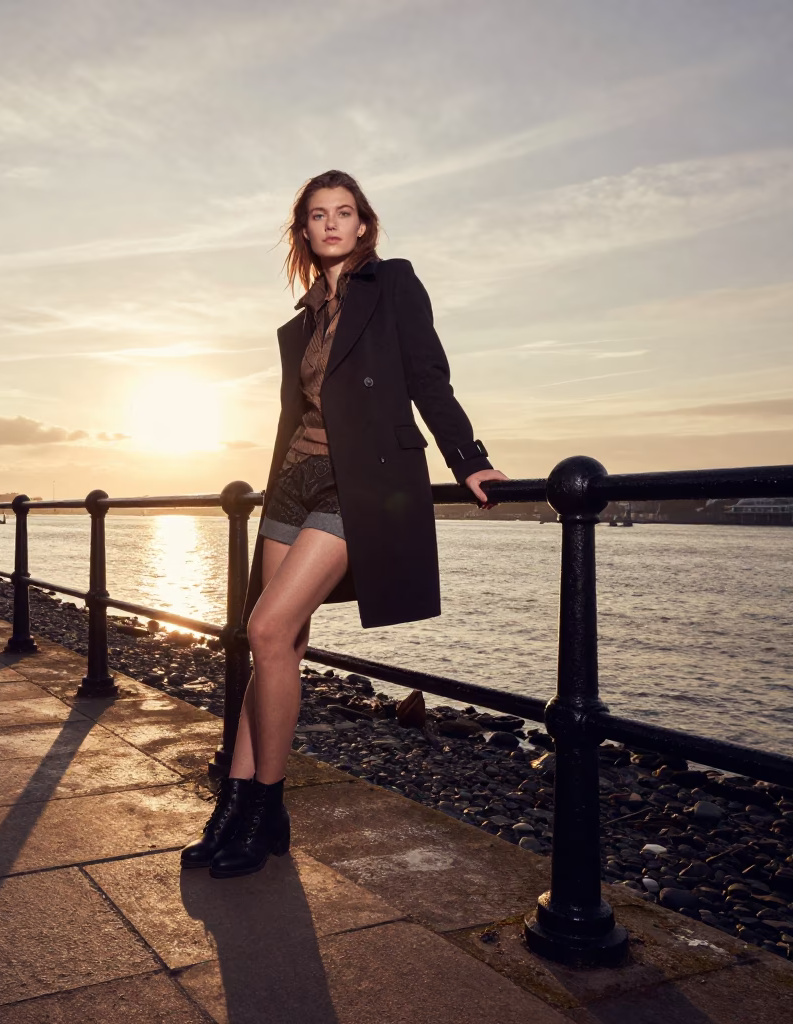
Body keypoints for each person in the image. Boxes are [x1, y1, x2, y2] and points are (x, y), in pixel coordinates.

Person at [181, 170, 508, 879]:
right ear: (304, 230)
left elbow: (429, 379)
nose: (332, 224)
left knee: (267, 631)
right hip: (291, 486)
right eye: (318, 215)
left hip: (357, 484)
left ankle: (266, 803)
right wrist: (275, 489)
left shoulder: (393, 285)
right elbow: (293, 413)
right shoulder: (300, 319)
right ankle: (234, 808)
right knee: (276, 644)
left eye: (345, 213)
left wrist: (470, 459)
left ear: (364, 225)